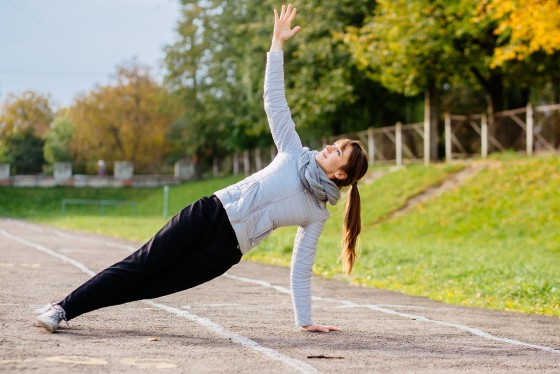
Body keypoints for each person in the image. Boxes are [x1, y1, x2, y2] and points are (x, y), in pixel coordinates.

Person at [35, 4, 368, 334]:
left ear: (341, 174)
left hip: (224, 252)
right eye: (335, 143)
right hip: (209, 213)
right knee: (140, 265)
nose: (329, 147)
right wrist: (276, 44)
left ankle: (71, 307)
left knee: (148, 286)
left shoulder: (316, 213)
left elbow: (301, 266)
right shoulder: (294, 152)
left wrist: (305, 320)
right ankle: (61, 308)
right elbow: (274, 100)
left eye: (338, 151)